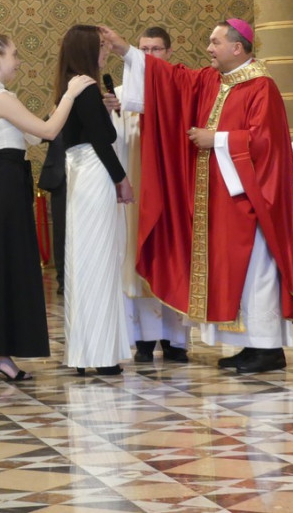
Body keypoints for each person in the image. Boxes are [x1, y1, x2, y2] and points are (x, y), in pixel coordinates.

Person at [102, 19, 293, 374]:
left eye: (215, 42)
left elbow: (266, 141)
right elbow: (171, 81)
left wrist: (219, 139)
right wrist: (126, 51)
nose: (209, 48)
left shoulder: (261, 86)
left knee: (257, 271)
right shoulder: (213, 80)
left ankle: (269, 348)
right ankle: (250, 346)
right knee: (236, 274)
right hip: (221, 199)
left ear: (237, 48)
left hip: (252, 201)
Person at [0, 32, 92, 381]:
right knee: (7, 268)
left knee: (3, 269)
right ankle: (0, 353)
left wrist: (59, 106)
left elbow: (33, 135)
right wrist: (70, 94)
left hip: (2, 184)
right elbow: (48, 132)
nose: (18, 61)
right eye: (14, 54)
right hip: (4, 188)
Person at [57, 25, 135, 376]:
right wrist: (122, 179)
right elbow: (103, 141)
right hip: (95, 172)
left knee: (85, 258)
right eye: (102, 47)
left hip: (80, 173)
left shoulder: (71, 85)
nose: (106, 52)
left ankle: (85, 350)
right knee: (100, 259)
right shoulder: (86, 87)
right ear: (87, 50)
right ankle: (101, 354)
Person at [110, 27, 190, 363]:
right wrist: (109, 113)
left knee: (171, 255)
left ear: (168, 53)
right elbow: (113, 142)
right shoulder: (119, 94)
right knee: (132, 256)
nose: (149, 56)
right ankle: (142, 338)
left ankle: (174, 339)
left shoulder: (177, 89)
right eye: (143, 49)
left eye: (156, 50)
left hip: (169, 192)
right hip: (132, 191)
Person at [37, 132, 65, 296]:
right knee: (61, 231)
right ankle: (62, 280)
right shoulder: (54, 117)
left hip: (87, 174)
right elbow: (38, 135)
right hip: (60, 179)